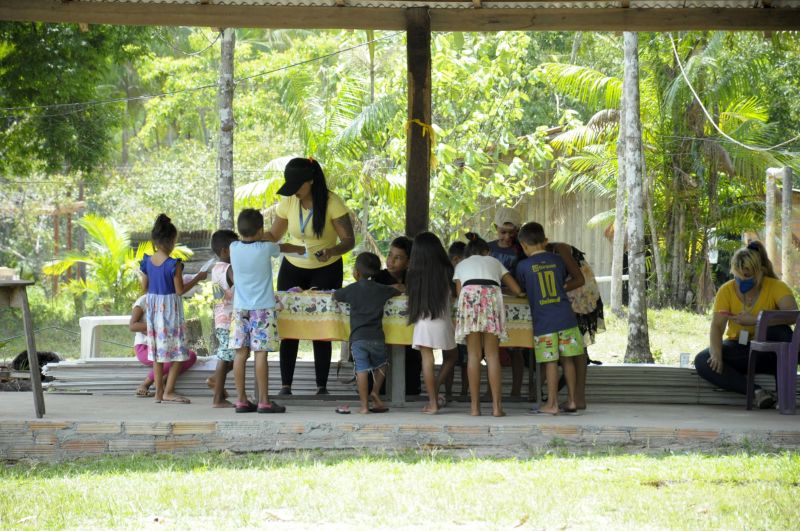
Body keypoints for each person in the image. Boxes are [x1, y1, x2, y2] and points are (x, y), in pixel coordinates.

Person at [263, 158, 355, 396]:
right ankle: (286, 385)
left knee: (321, 326)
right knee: (288, 325)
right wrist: (249, 238)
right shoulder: (289, 201)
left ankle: (321, 386)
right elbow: (274, 234)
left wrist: (332, 251)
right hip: (292, 266)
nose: (294, 191)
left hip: (326, 266)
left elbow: (348, 241)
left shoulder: (333, 202)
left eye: (297, 186)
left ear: (311, 182)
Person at [694, 241, 797, 408]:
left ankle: (783, 395)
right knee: (702, 360)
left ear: (760, 273)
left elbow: (793, 315)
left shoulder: (776, 287)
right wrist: (716, 353)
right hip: (741, 349)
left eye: (747, 276)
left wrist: (757, 320)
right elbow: (717, 326)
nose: (741, 281)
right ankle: (757, 392)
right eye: (737, 276)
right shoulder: (726, 290)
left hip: (769, 353)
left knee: (781, 333)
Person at [229, 208, 304, 413]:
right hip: (262, 309)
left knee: (240, 354)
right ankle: (263, 401)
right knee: (260, 354)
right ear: (261, 230)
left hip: (239, 309)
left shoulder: (233, 247)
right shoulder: (266, 248)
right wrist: (300, 249)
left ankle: (241, 400)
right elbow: (284, 246)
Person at [516, 222, 585, 415]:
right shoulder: (558, 260)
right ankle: (571, 401)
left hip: (544, 322)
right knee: (568, 360)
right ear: (544, 240)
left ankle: (552, 404)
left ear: (523, 245)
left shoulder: (523, 265)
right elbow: (565, 280)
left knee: (550, 362)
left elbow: (523, 290)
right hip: (566, 318)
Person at [454, 233, 523, 417]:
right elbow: (516, 290)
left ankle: (475, 408)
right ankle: (496, 408)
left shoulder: (461, 265)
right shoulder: (494, 262)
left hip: (469, 299)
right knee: (492, 356)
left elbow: (459, 292)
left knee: (473, 355)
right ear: (487, 251)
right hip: (492, 298)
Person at [139, 214, 206, 404]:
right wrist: (198, 278)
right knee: (179, 352)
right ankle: (169, 391)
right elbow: (180, 290)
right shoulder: (173, 264)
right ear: (171, 240)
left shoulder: (147, 262)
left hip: (154, 310)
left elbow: (144, 287)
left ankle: (159, 394)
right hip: (170, 311)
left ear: (155, 240)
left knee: (157, 355)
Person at [333, 252, 399, 414]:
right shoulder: (381, 289)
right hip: (377, 337)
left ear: (356, 272)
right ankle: (375, 391)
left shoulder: (352, 289)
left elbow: (336, 295)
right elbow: (397, 291)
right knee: (383, 364)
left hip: (358, 339)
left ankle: (364, 406)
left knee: (361, 369)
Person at [406, 232, 456, 414]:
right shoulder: (447, 269)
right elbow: (454, 295)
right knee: (451, 356)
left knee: (427, 360)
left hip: (422, 322)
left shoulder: (413, 272)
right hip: (442, 320)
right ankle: (435, 389)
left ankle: (432, 402)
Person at [372, 236, 422, 395]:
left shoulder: (414, 278)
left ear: (409, 262)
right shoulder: (378, 277)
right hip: (382, 330)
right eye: (389, 255)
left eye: (398, 258)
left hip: (410, 331)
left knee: (412, 358)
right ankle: (376, 391)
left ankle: (411, 391)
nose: (391, 261)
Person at [488, 206, 528, 398]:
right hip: (490, 304)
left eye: (511, 233)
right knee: (491, 348)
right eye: (503, 232)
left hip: (515, 304)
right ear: (496, 228)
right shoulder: (487, 249)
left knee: (515, 349)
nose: (506, 237)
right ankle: (490, 391)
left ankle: (516, 390)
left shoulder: (521, 250)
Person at [130, 294, 197, 398]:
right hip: (145, 347)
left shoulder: (170, 300)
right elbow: (132, 326)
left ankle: (162, 381)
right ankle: (145, 384)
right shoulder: (143, 300)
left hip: (166, 345)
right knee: (165, 359)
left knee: (189, 356)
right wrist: (158, 327)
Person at [207, 229, 238, 408]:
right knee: (226, 357)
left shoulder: (216, 268)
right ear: (225, 251)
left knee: (233, 357)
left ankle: (214, 380)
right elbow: (241, 285)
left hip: (221, 319)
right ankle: (218, 399)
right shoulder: (229, 268)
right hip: (229, 320)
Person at [435, 241, 468, 401]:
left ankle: (448, 392)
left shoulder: (442, 272)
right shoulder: (452, 273)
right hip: (458, 322)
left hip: (448, 322)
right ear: (456, 259)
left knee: (449, 358)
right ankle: (461, 392)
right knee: (460, 360)